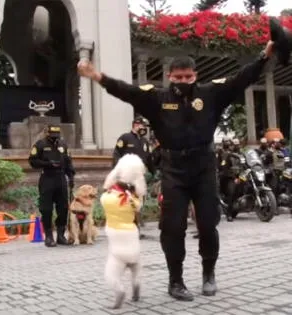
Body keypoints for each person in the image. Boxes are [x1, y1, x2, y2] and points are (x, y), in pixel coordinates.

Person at [78, 40, 274, 301]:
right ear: (169, 76)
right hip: (173, 170)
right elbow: (125, 91)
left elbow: (241, 79)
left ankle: (208, 274)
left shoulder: (210, 94)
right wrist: (97, 76)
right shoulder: (156, 99)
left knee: (207, 224)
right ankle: (176, 281)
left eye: (188, 76)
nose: (183, 80)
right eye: (178, 77)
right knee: (172, 227)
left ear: (196, 75)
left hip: (204, 168)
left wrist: (264, 56)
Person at [28, 125, 75, 247]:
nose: (55, 138)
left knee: (63, 208)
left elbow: (68, 161)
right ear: (47, 133)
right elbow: (32, 161)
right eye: (52, 135)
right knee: (46, 209)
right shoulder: (40, 144)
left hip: (61, 179)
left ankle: (60, 235)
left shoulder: (63, 144)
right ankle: (49, 236)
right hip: (47, 178)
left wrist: (71, 177)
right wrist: (47, 164)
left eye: (57, 135)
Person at [113, 116, 153, 239]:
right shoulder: (125, 138)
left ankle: (136, 229)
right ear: (135, 125)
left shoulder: (145, 142)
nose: (144, 129)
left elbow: (150, 159)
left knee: (139, 203)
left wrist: (154, 172)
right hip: (127, 176)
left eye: (145, 127)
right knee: (127, 202)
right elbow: (116, 154)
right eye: (142, 126)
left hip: (140, 177)